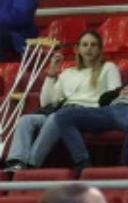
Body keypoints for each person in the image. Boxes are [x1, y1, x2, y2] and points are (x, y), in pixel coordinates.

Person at [5, 30, 122, 173]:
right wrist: (52, 73)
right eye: (85, 45)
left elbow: (114, 95)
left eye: (93, 45)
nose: (89, 48)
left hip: (90, 114)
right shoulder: (67, 73)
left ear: (99, 49)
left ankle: (31, 165)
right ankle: (17, 161)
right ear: (77, 49)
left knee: (57, 117)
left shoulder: (108, 67)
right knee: (26, 120)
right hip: (64, 112)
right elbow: (46, 102)